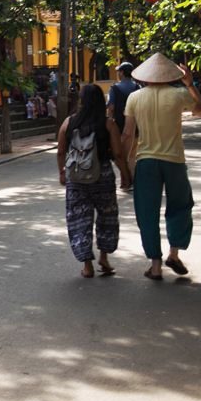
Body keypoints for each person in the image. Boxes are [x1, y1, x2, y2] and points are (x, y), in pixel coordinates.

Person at [122, 53, 201, 280]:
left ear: (145, 77)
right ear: (168, 75)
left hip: (146, 161)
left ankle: (156, 265)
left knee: (146, 211)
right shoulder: (179, 94)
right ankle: (174, 254)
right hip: (174, 161)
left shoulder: (134, 97)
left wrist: (123, 165)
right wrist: (190, 85)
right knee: (180, 206)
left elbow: (128, 134)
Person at [57, 85, 130, 278]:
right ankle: (104, 258)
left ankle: (87, 265)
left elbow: (61, 151)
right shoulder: (108, 124)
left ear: (81, 100)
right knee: (107, 217)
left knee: (79, 219)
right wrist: (125, 174)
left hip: (76, 177)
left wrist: (62, 172)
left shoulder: (69, 122)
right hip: (103, 175)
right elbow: (118, 153)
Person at [107, 61, 139, 184]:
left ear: (122, 72)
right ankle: (132, 179)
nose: (118, 74)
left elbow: (111, 107)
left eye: (119, 71)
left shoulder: (114, 88)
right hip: (136, 127)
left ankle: (125, 181)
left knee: (120, 155)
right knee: (132, 156)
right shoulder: (137, 88)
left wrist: (109, 124)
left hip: (119, 128)